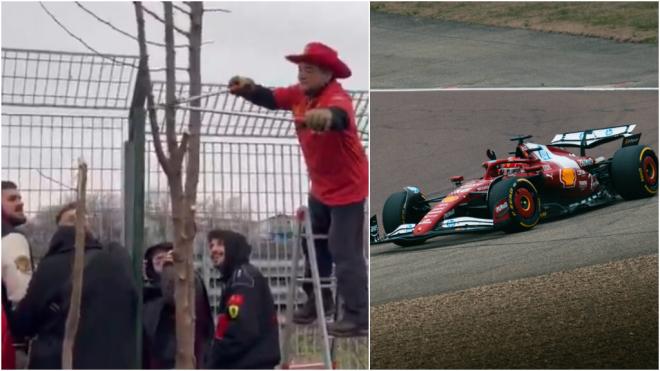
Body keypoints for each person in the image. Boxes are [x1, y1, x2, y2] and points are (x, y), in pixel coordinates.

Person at [228, 41, 369, 336]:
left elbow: (340, 115)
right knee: (311, 243)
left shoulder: (336, 96)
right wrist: (248, 89)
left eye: (308, 69)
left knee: (344, 249)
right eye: (300, 69)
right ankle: (319, 301)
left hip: (348, 187)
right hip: (320, 187)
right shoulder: (299, 95)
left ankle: (358, 315)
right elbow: (271, 97)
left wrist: (327, 118)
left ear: (327, 73)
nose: (302, 74)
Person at [11, 202, 138, 368]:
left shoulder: (51, 266)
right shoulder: (116, 261)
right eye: (73, 219)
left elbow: (24, 321)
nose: (81, 221)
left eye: (83, 217)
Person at [205, 229, 280, 369]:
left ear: (233, 247)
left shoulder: (243, 280)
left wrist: (213, 360)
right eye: (211, 246)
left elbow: (240, 331)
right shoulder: (235, 278)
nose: (213, 250)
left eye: (220, 244)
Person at [142, 242, 214, 369]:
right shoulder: (146, 291)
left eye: (168, 256)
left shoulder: (190, 282)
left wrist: (169, 269)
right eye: (158, 258)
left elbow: (173, 297)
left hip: (177, 357)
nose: (163, 261)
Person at [1, 181, 34, 367]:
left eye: (20, 197)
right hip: (10, 342)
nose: (20, 203)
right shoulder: (12, 239)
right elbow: (22, 296)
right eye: (12, 199)